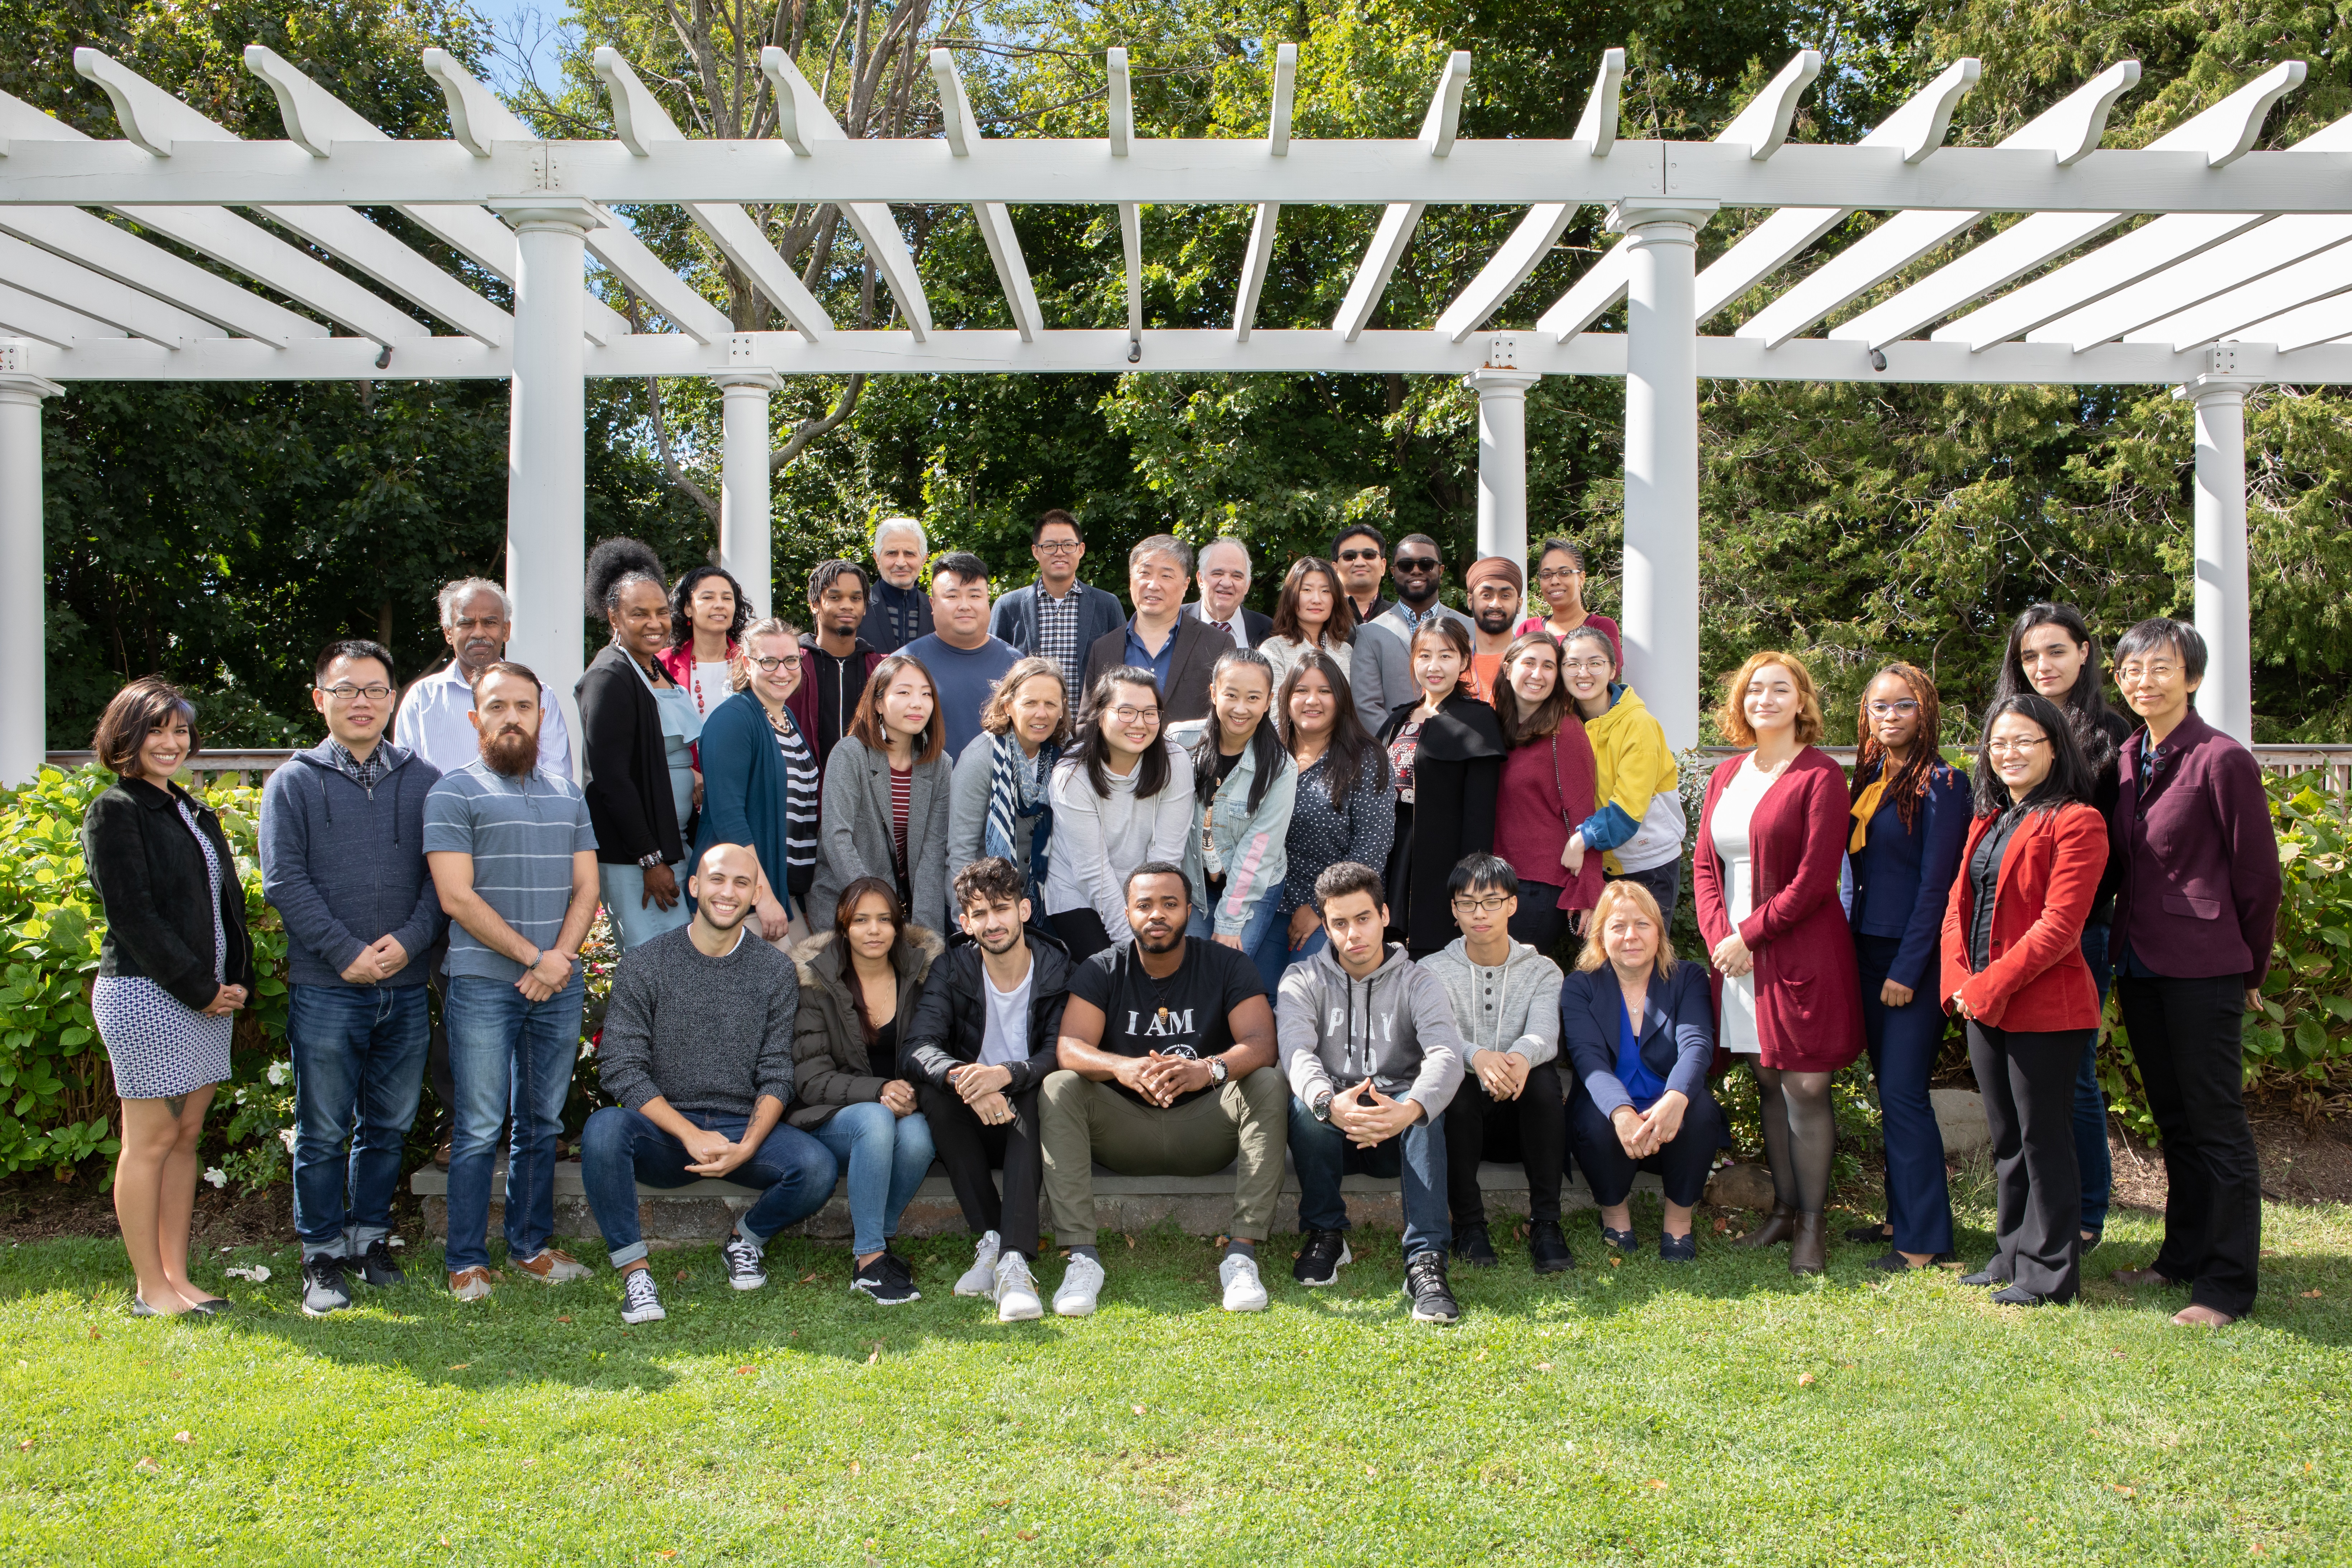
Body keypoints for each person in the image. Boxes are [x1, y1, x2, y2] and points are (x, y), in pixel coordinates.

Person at [260, 640, 446, 1318]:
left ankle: (370, 1239)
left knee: (389, 1125)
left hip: (402, 980)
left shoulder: (424, 779)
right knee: (322, 1127)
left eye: (373, 688)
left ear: (393, 698)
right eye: (346, 689)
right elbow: (285, 879)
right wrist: (344, 952)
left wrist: (411, 941)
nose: (361, 700)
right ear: (320, 699)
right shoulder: (294, 781)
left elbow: (441, 876)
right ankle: (320, 1253)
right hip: (328, 984)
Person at [2106, 619, 2282, 1327]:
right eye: (2131, 670)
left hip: (2205, 967)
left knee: (2216, 1127)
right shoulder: (2125, 756)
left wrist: (2251, 966)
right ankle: (2178, 1259)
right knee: (2174, 1123)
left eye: (2159, 668)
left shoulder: (2220, 759)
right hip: (2140, 963)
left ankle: (2225, 1285)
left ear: (2192, 678)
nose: (2143, 680)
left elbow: (2257, 878)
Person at [578, 843, 837, 1325]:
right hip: (667, 1135)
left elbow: (777, 1071)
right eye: (717, 879)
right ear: (695, 886)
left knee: (817, 1167)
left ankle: (746, 1239)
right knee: (602, 1131)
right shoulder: (647, 963)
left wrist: (748, 1146)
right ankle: (635, 1272)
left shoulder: (775, 971)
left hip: (741, 1129)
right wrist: (689, 1133)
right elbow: (620, 1066)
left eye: (742, 883)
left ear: (757, 894)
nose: (728, 892)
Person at [423, 661, 602, 1301]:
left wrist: (558, 959)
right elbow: (456, 898)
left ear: (540, 716)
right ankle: (467, 1258)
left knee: (542, 1121)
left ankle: (531, 1244)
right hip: (483, 983)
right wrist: (536, 957)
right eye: (497, 706)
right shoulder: (453, 792)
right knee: (477, 1123)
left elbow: (588, 888)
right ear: (475, 719)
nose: (511, 717)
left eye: (524, 706)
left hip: (557, 982)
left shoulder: (567, 793)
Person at [1039, 864, 1286, 1316]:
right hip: (1124, 1131)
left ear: (1190, 911)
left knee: (1268, 1082)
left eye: (1170, 904)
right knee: (1059, 1086)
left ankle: (1242, 1254)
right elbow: (1069, 1048)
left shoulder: (1226, 963)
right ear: (1128, 913)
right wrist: (1124, 1069)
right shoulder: (1104, 967)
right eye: (1145, 905)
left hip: (1205, 1129)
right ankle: (1081, 1258)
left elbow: (1263, 1045)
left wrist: (1207, 1071)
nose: (1158, 914)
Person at [82, 678, 252, 1317]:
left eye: (180, 730)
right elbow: (133, 915)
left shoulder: (189, 807)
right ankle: (150, 1289)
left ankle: (179, 1278)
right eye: (157, 729)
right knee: (150, 1140)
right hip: (147, 994)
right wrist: (202, 987)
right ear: (125, 735)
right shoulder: (115, 808)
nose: (171, 742)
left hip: (205, 996)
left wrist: (234, 982)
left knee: (186, 1136)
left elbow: (224, 905)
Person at [1693, 650, 1863, 1276]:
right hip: (1735, 954)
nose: (1764, 698)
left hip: (1797, 949)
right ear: (1740, 703)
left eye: (1778, 689)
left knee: (1805, 1084)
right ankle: (1784, 1211)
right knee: (1767, 1077)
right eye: (1754, 689)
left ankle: (1813, 1228)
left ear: (1802, 701)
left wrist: (1750, 936)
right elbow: (1706, 866)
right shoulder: (1726, 775)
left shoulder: (1820, 775)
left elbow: (1817, 879)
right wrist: (1719, 934)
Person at [1938, 693, 2107, 1308]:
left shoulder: (2077, 820)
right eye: (1998, 742)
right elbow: (1957, 908)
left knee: (2044, 1137)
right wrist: (1959, 979)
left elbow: (2060, 927)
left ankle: (2049, 1270)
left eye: (2023, 741)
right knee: (2007, 1135)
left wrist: (1985, 985)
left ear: (2054, 748)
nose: (2008, 752)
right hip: (1981, 1001)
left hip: (2045, 1006)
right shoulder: (1989, 820)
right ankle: (2010, 1250)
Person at [1994, 602, 2135, 1251]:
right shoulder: (2011, 728)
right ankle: (2034, 1216)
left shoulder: (2114, 735)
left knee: (2072, 1076)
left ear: (2085, 652)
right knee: (2016, 1085)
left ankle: (2085, 1215)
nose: (2042, 665)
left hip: (2078, 930)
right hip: (2007, 937)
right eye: (2029, 655)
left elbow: (2114, 849)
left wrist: (2065, 918)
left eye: (2055, 650)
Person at [1279, 860, 1465, 1322]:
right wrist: (1328, 1102)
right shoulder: (1302, 980)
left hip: (1393, 1129)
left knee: (1428, 1111)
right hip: (1332, 1132)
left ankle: (1425, 1261)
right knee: (1306, 1110)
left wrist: (1410, 1110)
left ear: (1384, 915)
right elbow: (1296, 1052)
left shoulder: (1419, 980)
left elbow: (1446, 1053)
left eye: (1363, 919)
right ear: (1325, 926)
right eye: (1339, 923)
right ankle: (1326, 1234)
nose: (1353, 934)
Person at [900, 857, 1076, 1323]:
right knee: (937, 1093)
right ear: (965, 922)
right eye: (979, 913)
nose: (992, 922)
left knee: (1042, 1089)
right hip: (973, 1119)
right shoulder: (953, 967)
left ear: (1024, 910)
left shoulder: (1057, 966)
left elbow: (1062, 1049)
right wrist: (969, 1080)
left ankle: (1015, 1261)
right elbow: (918, 1046)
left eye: (1001, 908)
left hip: (1029, 1119)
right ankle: (992, 1241)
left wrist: (1005, 1075)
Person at [1844, 664, 1969, 1270]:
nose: (1889, 716)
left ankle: (1923, 1240)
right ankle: (1903, 1214)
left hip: (1908, 960)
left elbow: (1937, 887)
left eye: (1903, 705)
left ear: (1925, 711)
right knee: (1887, 1091)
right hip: (1864, 950)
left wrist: (1908, 967)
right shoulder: (1867, 779)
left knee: (1903, 1091)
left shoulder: (1944, 783)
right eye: (1878, 706)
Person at [787, 877, 941, 1306]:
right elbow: (811, 1079)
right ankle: (869, 1262)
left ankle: (880, 1239)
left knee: (918, 1136)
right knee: (876, 1119)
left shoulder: (920, 975)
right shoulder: (815, 981)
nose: (873, 930)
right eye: (861, 920)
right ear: (843, 926)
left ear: (897, 926)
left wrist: (910, 1094)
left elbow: (937, 1050)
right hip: (827, 1118)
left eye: (884, 920)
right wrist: (880, 1092)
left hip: (896, 1111)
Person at [1418, 856, 1570, 1274]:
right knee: (1455, 1083)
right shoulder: (1430, 971)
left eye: (1491, 901)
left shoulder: (1542, 971)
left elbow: (1544, 1033)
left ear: (1513, 905)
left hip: (1520, 1121)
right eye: (1467, 903)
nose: (1479, 913)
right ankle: (1469, 1226)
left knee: (1543, 1082)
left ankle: (1547, 1224)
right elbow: (1436, 1036)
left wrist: (1519, 1058)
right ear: (1453, 909)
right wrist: (1478, 1057)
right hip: (1465, 1124)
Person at [1560, 879, 1724, 1263]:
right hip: (1613, 1114)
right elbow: (1589, 1061)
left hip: (1669, 1110)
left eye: (1642, 925)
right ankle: (1616, 1217)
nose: (1631, 936)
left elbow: (1697, 1045)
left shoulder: (1687, 979)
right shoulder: (1579, 987)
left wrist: (1675, 1099)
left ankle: (1679, 1225)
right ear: (1601, 935)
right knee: (1594, 1119)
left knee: (1700, 1112)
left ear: (1659, 931)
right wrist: (1621, 1112)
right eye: (1618, 926)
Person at [577, 538, 697, 951]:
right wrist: (650, 859)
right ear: (614, 616)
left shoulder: (653, 667)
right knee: (659, 967)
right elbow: (611, 779)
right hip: (638, 859)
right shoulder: (608, 677)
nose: (655, 622)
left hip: (673, 844)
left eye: (662, 612)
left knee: (679, 964)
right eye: (639, 613)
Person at [1260, 651, 1394, 989]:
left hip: (1332, 908)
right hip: (1263, 901)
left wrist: (1322, 908)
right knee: (1256, 997)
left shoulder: (1366, 758)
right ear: (1285, 698)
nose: (1312, 701)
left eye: (1325, 691)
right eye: (1301, 690)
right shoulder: (1267, 751)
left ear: (1341, 699)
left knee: (1306, 998)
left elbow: (1371, 847)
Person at [1043, 668, 1196, 962]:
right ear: (1100, 714)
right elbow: (1092, 872)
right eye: (1126, 712)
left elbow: (1166, 857)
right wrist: (1134, 944)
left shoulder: (1175, 762)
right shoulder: (1072, 775)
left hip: (1150, 893)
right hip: (1080, 892)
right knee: (1113, 972)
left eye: (1150, 713)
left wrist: (1150, 920)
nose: (1139, 723)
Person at [1379, 618, 1503, 958]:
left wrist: (1470, 884)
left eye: (1446, 656)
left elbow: (1479, 813)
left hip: (1443, 859)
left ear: (1464, 661)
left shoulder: (1478, 721)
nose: (1434, 667)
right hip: (1393, 853)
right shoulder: (1398, 719)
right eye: (1424, 656)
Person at [694, 617, 820, 946]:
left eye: (791, 660)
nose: (783, 671)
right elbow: (729, 818)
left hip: (781, 889)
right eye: (769, 661)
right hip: (742, 896)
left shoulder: (784, 716)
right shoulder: (733, 721)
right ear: (747, 664)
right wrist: (761, 897)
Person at [1170, 649, 1297, 962]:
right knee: (1188, 969)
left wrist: (1230, 921)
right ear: (1214, 693)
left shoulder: (1281, 769)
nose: (1241, 709)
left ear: (1269, 701)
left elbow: (1259, 851)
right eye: (1231, 695)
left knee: (1223, 968)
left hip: (1253, 888)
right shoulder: (1178, 743)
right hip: (1194, 883)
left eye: (1254, 698)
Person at [1557, 625, 1687, 926]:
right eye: (1572, 664)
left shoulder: (1638, 724)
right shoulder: (1564, 723)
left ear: (1613, 669)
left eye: (1595, 663)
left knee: (1644, 956)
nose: (1583, 673)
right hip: (1597, 862)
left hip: (1646, 864)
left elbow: (1627, 811)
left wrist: (1580, 840)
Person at [812, 653, 951, 933]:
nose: (917, 703)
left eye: (926, 694)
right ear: (878, 703)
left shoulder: (940, 765)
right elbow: (837, 838)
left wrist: (925, 938)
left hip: (906, 911)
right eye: (903, 692)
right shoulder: (850, 754)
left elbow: (931, 857)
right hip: (846, 907)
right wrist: (876, 911)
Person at [1488, 631, 1603, 954]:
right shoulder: (1495, 725)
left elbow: (1584, 812)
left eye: (1549, 666)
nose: (1538, 675)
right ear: (1508, 668)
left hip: (1539, 886)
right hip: (1494, 881)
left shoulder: (1564, 731)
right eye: (1529, 663)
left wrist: (1588, 893)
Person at [394, 578, 573, 780]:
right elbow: (406, 782)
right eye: (466, 623)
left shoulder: (540, 695)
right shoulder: (421, 698)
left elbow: (557, 783)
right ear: (449, 633)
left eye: (490, 623)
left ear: (506, 630)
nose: (479, 632)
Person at [947, 656, 1070, 907]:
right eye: (1030, 703)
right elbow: (961, 852)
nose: (1041, 713)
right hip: (989, 903)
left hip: (1051, 900)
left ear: (1062, 708)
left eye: (1051, 704)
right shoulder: (980, 758)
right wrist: (966, 928)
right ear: (1007, 706)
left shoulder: (1067, 754)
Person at [988, 508, 1126, 711]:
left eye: (1068, 545)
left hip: (1088, 729)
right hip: (1028, 728)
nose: (1060, 552)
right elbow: (993, 670)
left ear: (1081, 550)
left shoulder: (1107, 605)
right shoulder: (1008, 607)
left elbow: (1122, 670)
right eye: (1050, 546)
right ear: (1036, 551)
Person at [1084, 534, 1221, 725]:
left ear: (1185, 585)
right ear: (1131, 580)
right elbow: (1087, 724)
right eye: (1145, 573)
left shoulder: (1217, 644)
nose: (1153, 585)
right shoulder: (1103, 648)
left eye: (1166, 576)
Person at [1257, 556, 1399, 736]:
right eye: (1307, 590)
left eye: (1326, 592)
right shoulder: (1274, 650)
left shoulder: (1346, 650)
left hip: (1345, 748)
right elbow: (1274, 716)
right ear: (1291, 596)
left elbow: (1356, 710)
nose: (1317, 600)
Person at [903, 551, 1022, 760]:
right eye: (952, 596)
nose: (965, 605)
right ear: (932, 604)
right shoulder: (905, 663)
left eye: (975, 596)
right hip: (927, 789)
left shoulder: (1017, 665)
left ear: (988, 601)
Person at [789, 560, 883, 779]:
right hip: (806, 798)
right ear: (814, 603)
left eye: (856, 598)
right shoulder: (792, 666)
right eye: (835, 597)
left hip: (866, 799)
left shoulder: (880, 669)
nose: (847, 605)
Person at [656, 562, 749, 727]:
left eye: (727, 598)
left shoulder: (753, 661)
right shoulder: (660, 665)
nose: (720, 605)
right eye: (708, 597)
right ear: (688, 608)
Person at [1517, 538, 1621, 665]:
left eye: (1564, 573)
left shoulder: (1602, 627)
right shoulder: (1528, 628)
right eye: (1546, 575)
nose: (1555, 581)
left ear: (1582, 578)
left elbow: (1608, 675)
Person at [1368, 533, 1473, 648]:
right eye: (1406, 565)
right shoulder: (1371, 632)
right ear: (1393, 572)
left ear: (1441, 570)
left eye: (1426, 564)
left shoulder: (1471, 628)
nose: (1416, 571)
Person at [859, 516, 935, 652]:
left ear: (924, 559)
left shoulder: (936, 611)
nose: (901, 563)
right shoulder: (858, 608)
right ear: (877, 558)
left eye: (909, 554)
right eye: (892, 553)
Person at [1182, 536, 1272, 652]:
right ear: (1200, 580)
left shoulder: (1270, 631)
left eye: (1237, 576)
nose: (1226, 583)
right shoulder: (1175, 621)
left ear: (1247, 586)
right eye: (1218, 574)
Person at [1461, 557, 1524, 705]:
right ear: (1470, 601)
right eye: (1486, 595)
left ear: (1519, 604)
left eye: (1505, 596)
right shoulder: (1452, 659)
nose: (1495, 604)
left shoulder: (1532, 660)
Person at [1332, 522, 1393, 625]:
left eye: (1369, 555)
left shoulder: (1402, 618)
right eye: (1350, 556)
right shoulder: (1323, 616)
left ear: (1383, 566)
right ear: (1335, 569)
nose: (1360, 563)